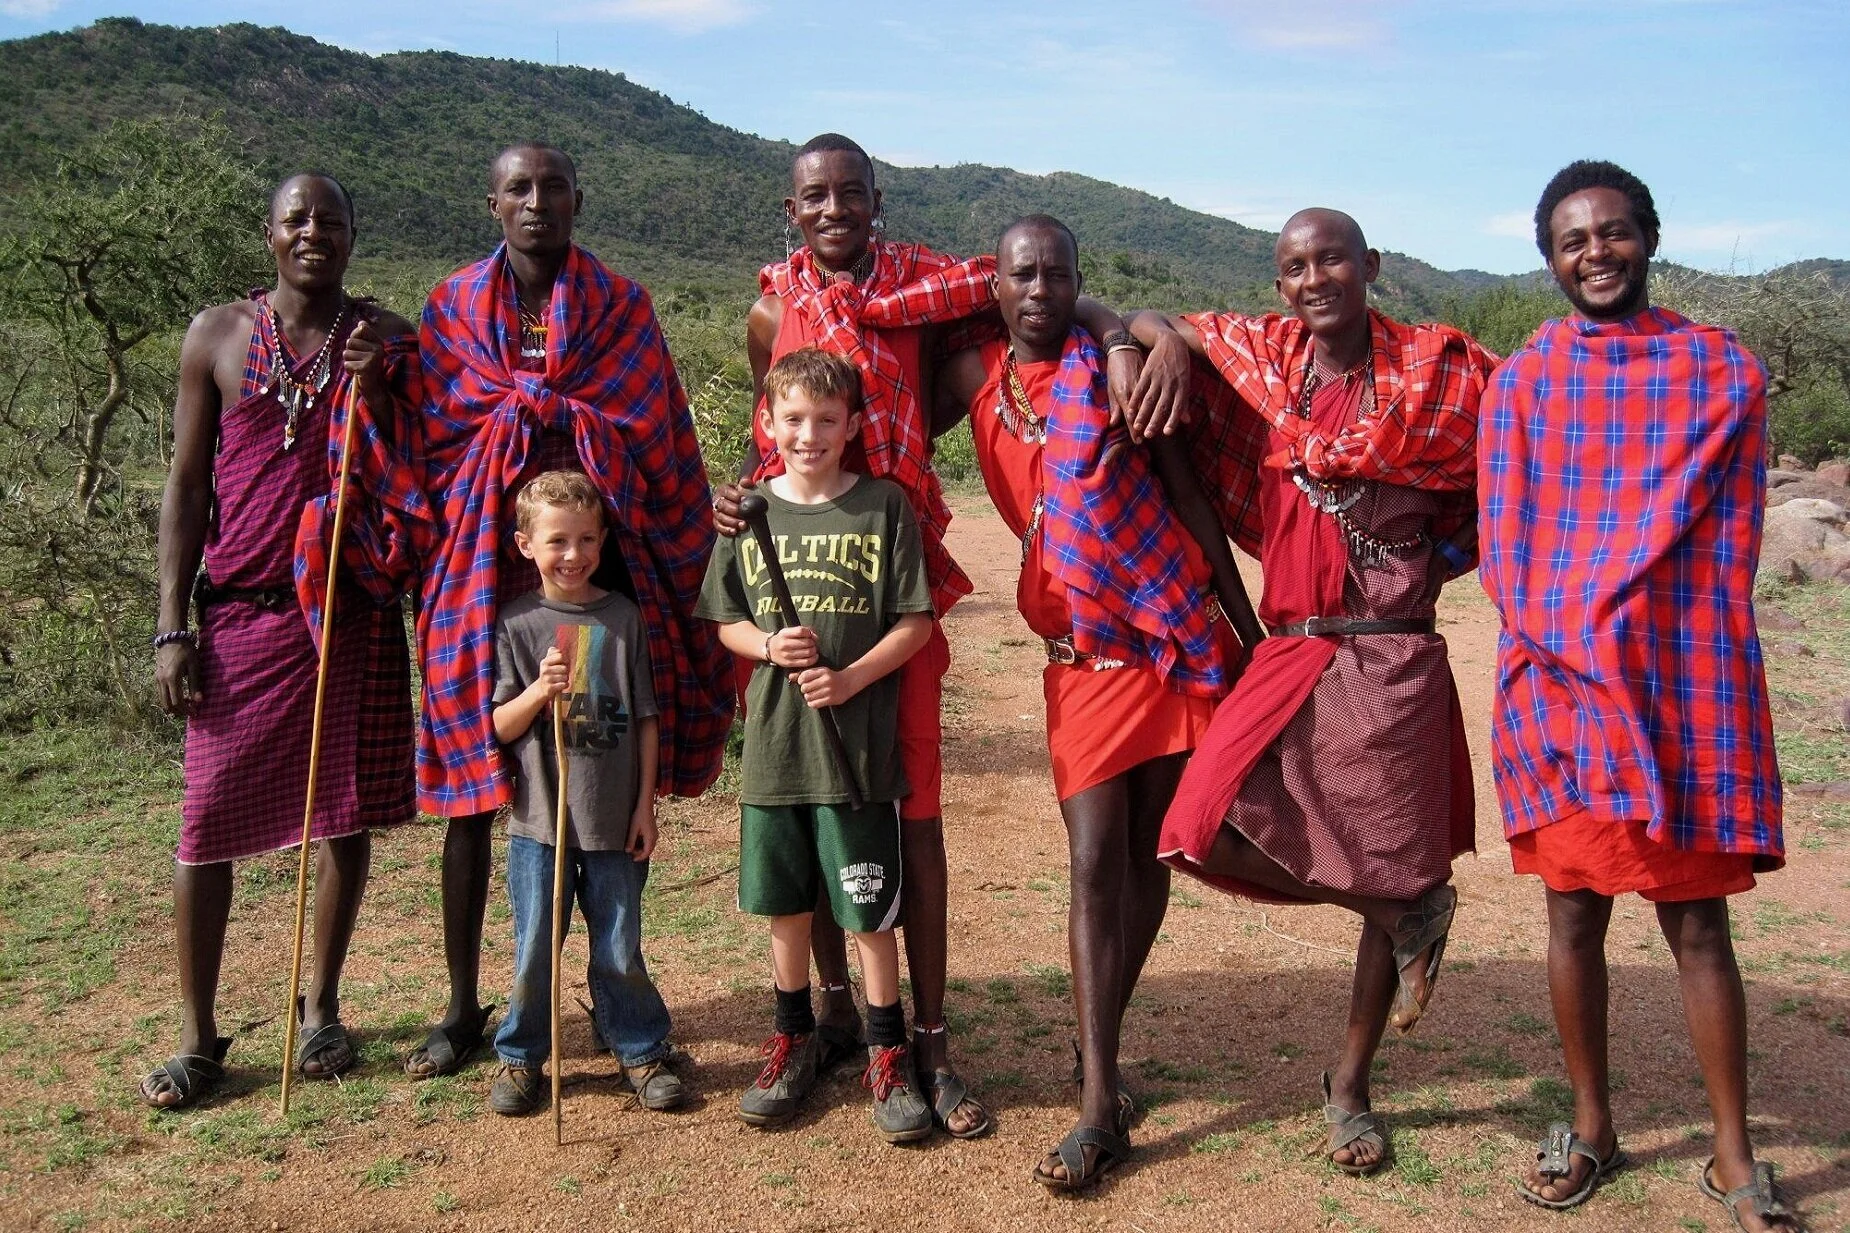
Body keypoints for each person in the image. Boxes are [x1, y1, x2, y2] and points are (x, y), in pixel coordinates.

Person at [712, 134, 1142, 1137]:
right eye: (814, 196)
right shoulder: (772, 310)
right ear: (790, 210)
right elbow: (777, 425)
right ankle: (831, 1023)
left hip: (889, 575)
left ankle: (930, 1043)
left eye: (850, 193)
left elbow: (1038, 297)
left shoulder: (929, 295)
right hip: (796, 591)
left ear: (877, 201)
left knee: (912, 818)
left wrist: (1119, 333)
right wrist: (742, 493)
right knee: (812, 806)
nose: (833, 210)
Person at [1124, 207, 1494, 1175]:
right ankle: (1403, 917)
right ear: (1279, 285)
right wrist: (1162, 341)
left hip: (1393, 657)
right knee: (1197, 824)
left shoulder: (1438, 378)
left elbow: (1508, 463)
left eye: (1332, 258)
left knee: (1390, 860)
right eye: (1294, 266)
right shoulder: (1264, 368)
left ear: (1370, 265)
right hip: (1291, 648)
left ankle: (1351, 1086)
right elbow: (1136, 317)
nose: (1314, 278)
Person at [1480, 161, 1797, 1231]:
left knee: (1697, 925)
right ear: (1548, 258)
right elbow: (1506, 547)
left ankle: (1732, 1152)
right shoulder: (1524, 382)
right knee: (1573, 916)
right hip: (1561, 691)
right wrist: (1575, 641)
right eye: (1572, 240)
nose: (1595, 253)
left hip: (1674, 691)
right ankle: (1592, 1126)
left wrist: (1632, 638)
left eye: (1612, 232)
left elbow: (1722, 545)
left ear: (1648, 237)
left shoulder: (1717, 370)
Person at [932, 215, 1260, 1187]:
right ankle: (1097, 1091)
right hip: (1076, 663)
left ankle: (1097, 1079)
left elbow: (1189, 500)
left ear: (1077, 282)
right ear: (994, 286)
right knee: (1089, 863)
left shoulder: (1118, 376)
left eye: (1058, 275)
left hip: (1163, 643)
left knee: (1145, 857)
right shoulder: (972, 374)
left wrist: (1249, 637)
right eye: (1022, 274)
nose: (1039, 290)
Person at [408, 143, 731, 1081]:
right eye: (519, 187)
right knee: (481, 790)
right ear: (493, 202)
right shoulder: (451, 309)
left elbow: (658, 432)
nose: (536, 201)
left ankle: (622, 1007)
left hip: (605, 558)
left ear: (578, 201)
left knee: (603, 760)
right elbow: (432, 437)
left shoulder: (622, 307)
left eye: (553, 187)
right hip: (486, 558)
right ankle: (467, 1007)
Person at [143, 172, 428, 1107]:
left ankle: (322, 1010)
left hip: (347, 611)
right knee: (205, 822)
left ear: (352, 235)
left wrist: (379, 388)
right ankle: (198, 1036)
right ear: (268, 234)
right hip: (238, 612)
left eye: (330, 220)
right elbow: (188, 485)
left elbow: (418, 463)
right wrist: (172, 625)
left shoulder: (385, 337)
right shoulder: (216, 335)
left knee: (342, 810)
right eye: (295, 219)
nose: (313, 232)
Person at [698, 347, 936, 1144]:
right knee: (786, 906)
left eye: (826, 419)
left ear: (853, 424)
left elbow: (915, 621)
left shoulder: (882, 506)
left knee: (868, 910)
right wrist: (768, 646)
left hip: (854, 753)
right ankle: (792, 1038)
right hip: (774, 750)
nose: (809, 434)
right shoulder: (748, 512)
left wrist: (851, 677)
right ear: (768, 422)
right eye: (794, 419)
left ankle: (886, 1050)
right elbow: (725, 620)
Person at [483, 471, 681, 1115]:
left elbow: (646, 718)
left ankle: (640, 1046)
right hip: (540, 825)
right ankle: (522, 1057)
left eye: (587, 539)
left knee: (619, 944)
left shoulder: (623, 618)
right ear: (525, 546)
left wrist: (645, 806)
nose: (574, 554)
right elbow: (500, 725)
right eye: (558, 541)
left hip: (614, 820)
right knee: (536, 945)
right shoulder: (516, 623)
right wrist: (538, 692)